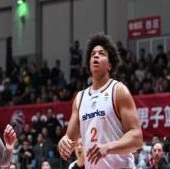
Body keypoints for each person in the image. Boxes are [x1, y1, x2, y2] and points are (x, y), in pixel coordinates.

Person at [58, 33, 143, 168]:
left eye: (101, 53)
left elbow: (137, 138)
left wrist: (108, 147)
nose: (96, 56)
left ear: (109, 65)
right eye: (93, 54)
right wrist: (63, 142)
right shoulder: (80, 98)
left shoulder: (118, 91)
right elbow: (70, 139)